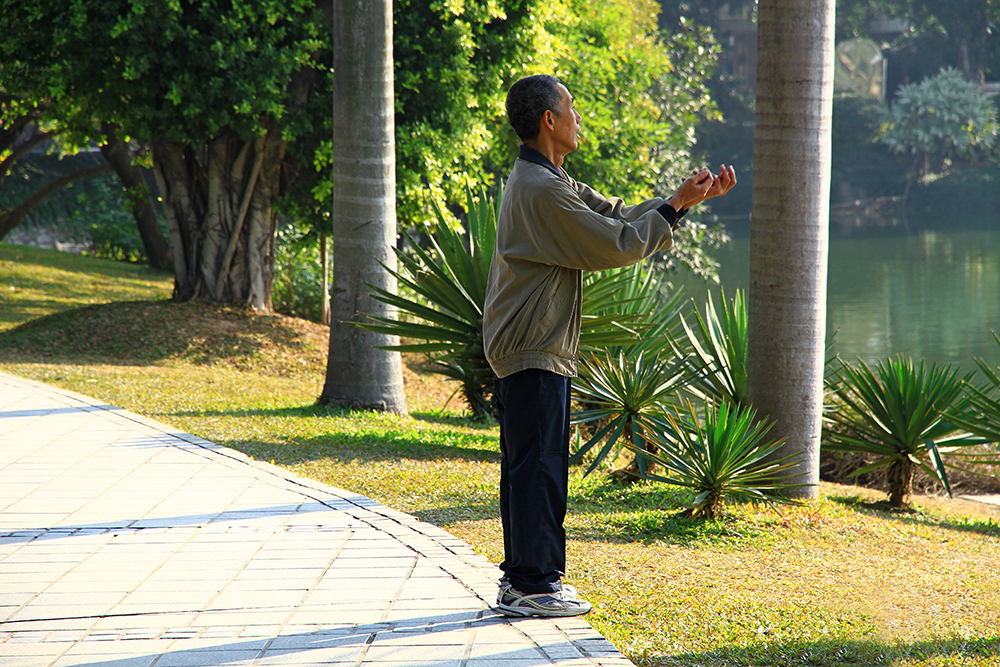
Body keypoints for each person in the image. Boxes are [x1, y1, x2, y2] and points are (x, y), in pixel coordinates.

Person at [483, 74, 736, 618]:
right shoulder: (541, 189)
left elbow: (617, 216)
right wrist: (671, 210)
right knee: (539, 466)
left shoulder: (549, 178)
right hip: (530, 345)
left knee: (534, 463)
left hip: (531, 343)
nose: (579, 117)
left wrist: (681, 203)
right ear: (548, 120)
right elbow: (614, 244)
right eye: (571, 108)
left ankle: (526, 580)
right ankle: (532, 584)